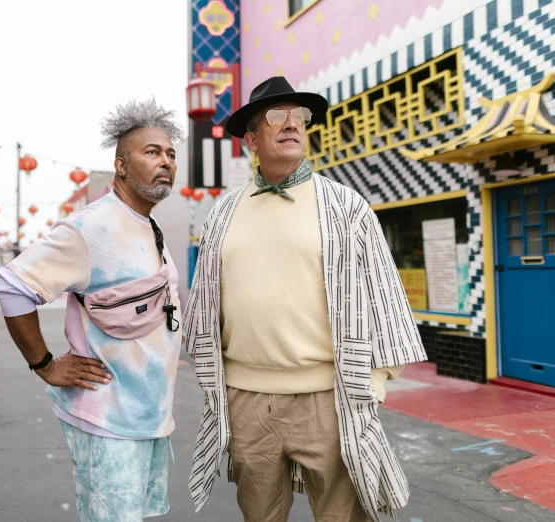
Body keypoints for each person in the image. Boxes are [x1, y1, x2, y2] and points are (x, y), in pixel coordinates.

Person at [182, 76, 428, 522]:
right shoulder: (224, 210)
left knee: (343, 517)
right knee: (260, 516)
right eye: (277, 116)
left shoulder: (345, 205)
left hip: (329, 398)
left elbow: (386, 299)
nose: (291, 123)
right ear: (252, 139)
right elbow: (204, 301)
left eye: (300, 116)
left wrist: (374, 383)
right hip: (247, 400)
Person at [0, 99, 184, 522]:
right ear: (120, 165)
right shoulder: (90, 227)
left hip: (148, 418)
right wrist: (44, 364)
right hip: (108, 421)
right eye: (152, 151)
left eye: (170, 153)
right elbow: (12, 287)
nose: (166, 161)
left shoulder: (148, 225)